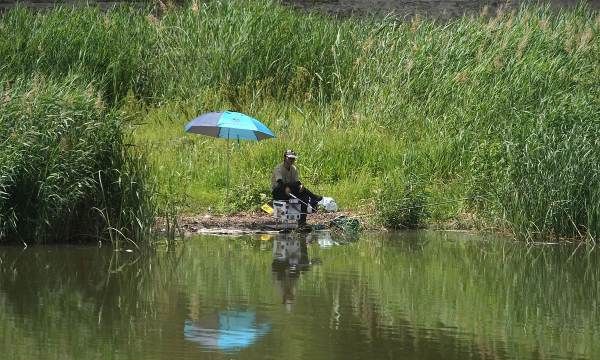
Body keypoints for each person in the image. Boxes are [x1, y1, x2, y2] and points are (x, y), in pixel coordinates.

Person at [271, 149, 322, 226]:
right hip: (278, 190)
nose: (292, 160)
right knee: (286, 186)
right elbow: (280, 182)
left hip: (290, 188)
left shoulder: (293, 168)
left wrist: (301, 186)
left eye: (293, 158)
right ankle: (314, 196)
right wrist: (286, 188)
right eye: (290, 158)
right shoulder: (278, 168)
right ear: (285, 158)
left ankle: (302, 221)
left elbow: (296, 182)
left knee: (304, 195)